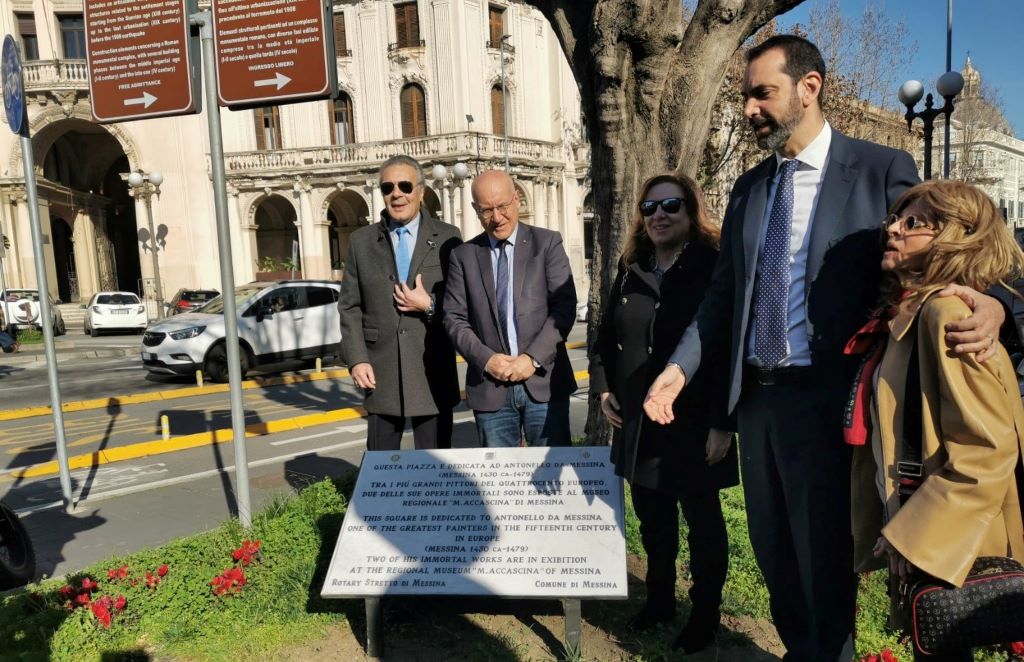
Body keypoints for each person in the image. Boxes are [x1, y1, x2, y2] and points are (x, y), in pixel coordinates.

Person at [641, 35, 1006, 661]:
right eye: (745, 95)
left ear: (809, 88)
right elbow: (723, 296)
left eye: (763, 93)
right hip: (756, 403)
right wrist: (678, 368)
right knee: (774, 554)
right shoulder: (750, 188)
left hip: (835, 403)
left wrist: (997, 302)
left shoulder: (880, 168)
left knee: (825, 559)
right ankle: (800, 650)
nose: (750, 107)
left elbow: (952, 244)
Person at [850, 181, 1024, 661]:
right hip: (936, 535)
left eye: (913, 223)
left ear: (954, 236)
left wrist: (916, 537)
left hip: (951, 544)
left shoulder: (946, 314)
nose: (892, 229)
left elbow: (987, 448)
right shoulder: (913, 310)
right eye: (895, 218)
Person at [589, 173, 738, 654]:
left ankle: (705, 613)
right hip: (639, 424)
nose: (659, 215)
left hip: (695, 424)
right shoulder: (631, 268)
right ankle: (659, 600)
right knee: (653, 520)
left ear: (691, 211)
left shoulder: (713, 267)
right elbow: (603, 337)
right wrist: (605, 388)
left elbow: (727, 348)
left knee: (703, 524)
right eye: (650, 208)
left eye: (671, 205)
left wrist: (723, 422)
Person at [443, 169, 577, 447]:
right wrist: (487, 359)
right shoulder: (463, 256)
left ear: (517, 199)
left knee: (551, 481)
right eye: (486, 210)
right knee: (499, 485)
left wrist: (531, 358)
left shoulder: (547, 243)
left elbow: (563, 308)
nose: (497, 217)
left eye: (502, 206)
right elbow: (454, 318)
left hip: (544, 381)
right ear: (474, 209)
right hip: (490, 388)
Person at [339, 155, 462, 450]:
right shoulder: (361, 241)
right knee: (382, 467)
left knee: (436, 471)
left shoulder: (448, 238)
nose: (397, 194)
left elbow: (460, 304)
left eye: (405, 186)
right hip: (380, 374)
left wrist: (429, 305)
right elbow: (349, 306)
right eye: (388, 187)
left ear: (420, 191)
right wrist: (357, 359)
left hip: (432, 371)